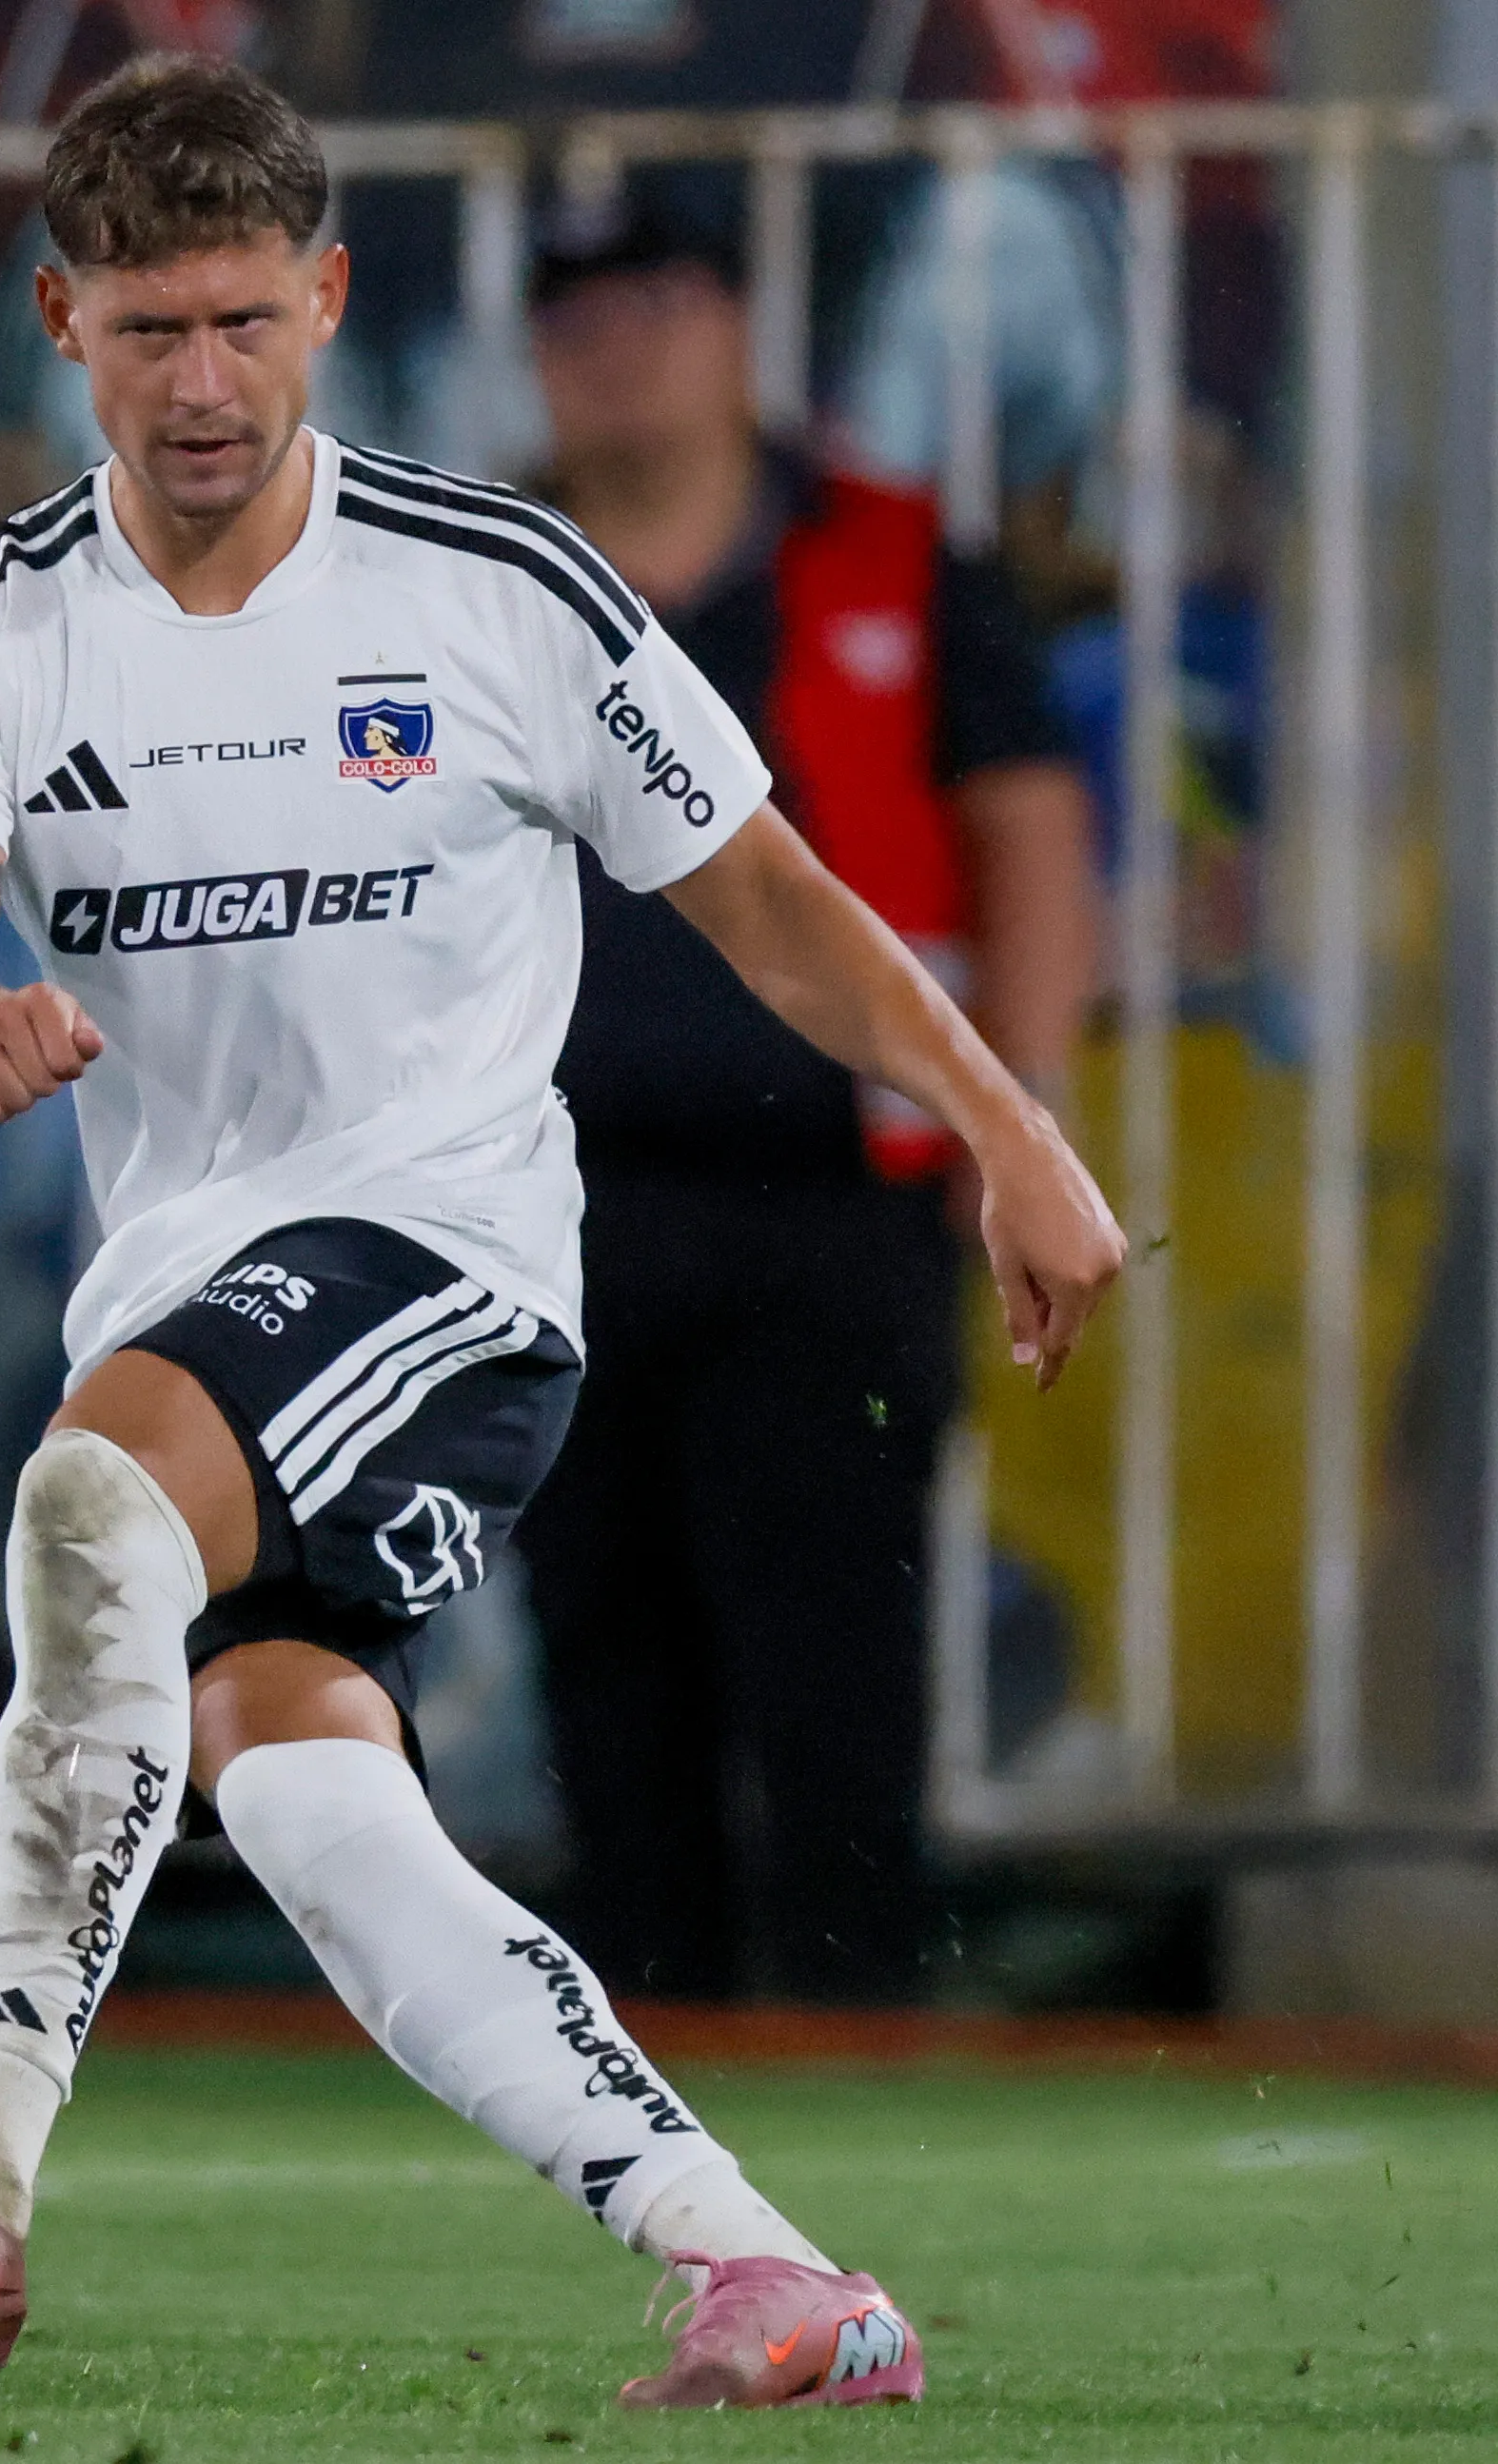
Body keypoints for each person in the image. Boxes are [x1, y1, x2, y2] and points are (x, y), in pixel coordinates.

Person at [0, 55, 1121, 2409]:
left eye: (245, 324)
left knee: (91, 1496)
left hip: (451, 1264)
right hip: (191, 1279)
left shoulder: (490, 586)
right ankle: (760, 2268)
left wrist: (1009, 1122)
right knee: (299, 1789)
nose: (204, 384)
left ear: (328, 300)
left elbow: (774, 896)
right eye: (149, 330)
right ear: (63, 324)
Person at [507, 187, 1099, 2005]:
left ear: (744, 329)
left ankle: (862, 2054)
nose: (621, 345)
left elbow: (1031, 836)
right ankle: (645, 2083)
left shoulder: (899, 555)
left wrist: (1025, 1125)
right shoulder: (489, 581)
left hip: (836, 1201)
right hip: (548, 1195)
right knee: (601, 1657)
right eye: (582, 313)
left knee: (837, 1652)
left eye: (660, 300)